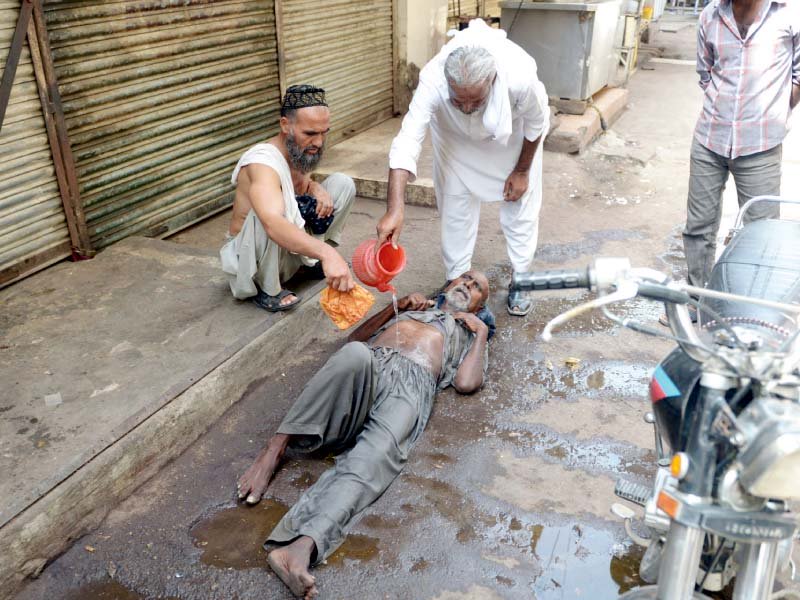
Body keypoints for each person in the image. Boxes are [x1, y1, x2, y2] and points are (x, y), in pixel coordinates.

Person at [236, 271, 491, 599]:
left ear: (480, 305)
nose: (467, 286)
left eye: (476, 289)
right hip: (369, 368)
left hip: (412, 387)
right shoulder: (413, 308)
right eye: (465, 279)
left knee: (375, 457)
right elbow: (354, 341)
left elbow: (467, 383)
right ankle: (274, 449)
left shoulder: (468, 332)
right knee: (354, 355)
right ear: (447, 284)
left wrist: (481, 331)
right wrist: (393, 307)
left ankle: (300, 548)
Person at [377, 19, 549, 317]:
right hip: (454, 139)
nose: (468, 108)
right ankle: (456, 275)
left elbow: (537, 122)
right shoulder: (433, 79)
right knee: (454, 205)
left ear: (493, 81)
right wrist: (395, 207)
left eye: (476, 101)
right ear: (448, 85)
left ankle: (521, 276)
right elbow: (407, 141)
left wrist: (522, 170)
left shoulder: (519, 79)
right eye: (459, 100)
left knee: (520, 205)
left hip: (510, 139)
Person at [670, 0, 800, 325]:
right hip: (710, 137)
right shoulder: (710, 15)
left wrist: (773, 111)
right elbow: (705, 73)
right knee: (698, 227)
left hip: (761, 144)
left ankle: (754, 313)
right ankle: (698, 301)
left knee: (762, 234)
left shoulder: (789, 15)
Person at [220, 84, 356, 312]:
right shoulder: (263, 163)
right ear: (285, 125)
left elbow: (297, 188)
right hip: (250, 262)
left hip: (285, 251)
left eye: (324, 132)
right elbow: (273, 223)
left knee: (342, 184)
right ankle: (268, 288)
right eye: (311, 134)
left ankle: (309, 265)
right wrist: (328, 253)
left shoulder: (300, 149)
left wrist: (314, 187)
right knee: (271, 212)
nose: (319, 142)